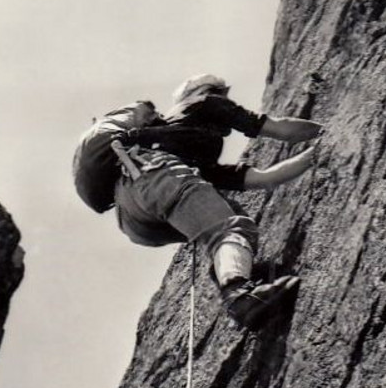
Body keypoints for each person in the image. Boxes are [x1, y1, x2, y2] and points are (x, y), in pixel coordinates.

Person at [111, 73, 322, 329]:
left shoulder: (188, 146)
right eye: (225, 95)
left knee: (229, 214)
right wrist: (325, 131)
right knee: (229, 229)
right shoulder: (205, 101)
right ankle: (239, 294)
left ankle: (239, 274)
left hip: (135, 217)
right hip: (152, 177)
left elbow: (265, 178)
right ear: (212, 90)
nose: (227, 102)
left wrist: (314, 154)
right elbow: (280, 129)